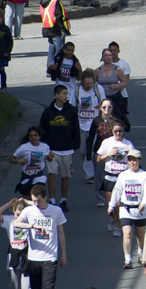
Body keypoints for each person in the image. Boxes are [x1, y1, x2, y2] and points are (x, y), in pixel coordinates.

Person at [15, 183, 67, 289]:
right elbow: (16, 222)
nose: (36, 204)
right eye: (34, 201)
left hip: (50, 257)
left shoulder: (56, 211)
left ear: (45, 197)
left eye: (38, 200)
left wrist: (63, 254)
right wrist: (30, 225)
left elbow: (61, 233)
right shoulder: (29, 211)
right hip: (33, 257)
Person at [39, 84, 81, 212]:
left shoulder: (71, 110)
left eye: (66, 94)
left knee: (65, 176)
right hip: (52, 149)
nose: (65, 96)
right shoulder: (48, 111)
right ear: (56, 95)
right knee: (52, 174)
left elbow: (75, 128)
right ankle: (52, 200)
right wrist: (45, 145)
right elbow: (42, 129)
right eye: (63, 93)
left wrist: (75, 145)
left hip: (67, 149)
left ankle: (63, 200)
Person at [108, 149, 146, 270]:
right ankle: (127, 259)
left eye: (135, 160)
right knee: (127, 233)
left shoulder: (144, 175)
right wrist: (111, 205)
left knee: (140, 234)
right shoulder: (123, 175)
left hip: (139, 210)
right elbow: (117, 190)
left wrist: (145, 203)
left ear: (139, 161)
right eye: (130, 160)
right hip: (125, 209)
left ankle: (141, 253)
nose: (132, 162)